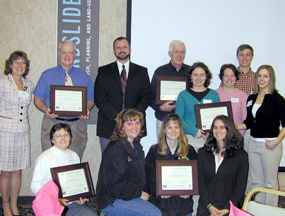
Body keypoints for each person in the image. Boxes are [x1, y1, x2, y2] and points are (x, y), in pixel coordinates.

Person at [33, 40, 94, 159]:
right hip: (52, 123)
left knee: (73, 163)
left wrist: (86, 109)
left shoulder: (84, 77)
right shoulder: (47, 75)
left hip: (76, 126)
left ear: (75, 54)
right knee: (51, 163)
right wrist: (46, 109)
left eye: (70, 53)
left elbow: (90, 100)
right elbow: (37, 99)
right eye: (64, 52)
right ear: (59, 53)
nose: (67, 56)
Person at [96, 109, 162, 216]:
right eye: (129, 123)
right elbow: (115, 183)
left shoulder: (136, 146)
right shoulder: (116, 148)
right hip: (112, 199)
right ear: (121, 126)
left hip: (129, 195)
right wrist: (139, 194)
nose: (134, 127)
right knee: (154, 214)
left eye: (137, 123)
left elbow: (140, 178)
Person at [236, 65, 285, 206]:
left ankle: (270, 212)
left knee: (270, 183)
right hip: (253, 144)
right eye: (259, 76)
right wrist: (233, 126)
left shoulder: (277, 99)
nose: (262, 79)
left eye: (265, 76)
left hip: (270, 145)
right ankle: (257, 211)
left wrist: (276, 142)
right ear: (256, 78)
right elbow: (249, 122)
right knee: (256, 182)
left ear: (271, 78)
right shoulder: (252, 97)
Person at [94, 37, 151, 153]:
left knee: (132, 162)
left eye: (124, 47)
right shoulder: (103, 71)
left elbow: (146, 96)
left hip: (134, 126)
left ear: (129, 49)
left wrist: (131, 118)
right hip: (109, 125)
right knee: (108, 162)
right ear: (114, 51)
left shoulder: (141, 71)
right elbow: (99, 98)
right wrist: (118, 117)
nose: (121, 50)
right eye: (118, 47)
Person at [30, 123, 98, 216]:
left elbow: (76, 182)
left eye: (66, 135)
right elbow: (35, 185)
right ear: (52, 140)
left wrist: (79, 197)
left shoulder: (74, 155)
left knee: (92, 215)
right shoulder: (45, 157)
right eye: (58, 136)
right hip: (51, 205)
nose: (63, 138)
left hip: (71, 204)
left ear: (70, 138)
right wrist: (55, 199)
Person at [0, 51, 34, 216]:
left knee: (18, 171)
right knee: (6, 171)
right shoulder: (2, 83)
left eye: (23, 63)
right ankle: (5, 204)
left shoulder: (29, 84)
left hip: (22, 131)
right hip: (5, 131)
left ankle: (14, 204)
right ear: (10, 65)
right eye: (16, 62)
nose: (20, 66)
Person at [145, 113, 197, 216]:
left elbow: (197, 175)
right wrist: (159, 191)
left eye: (176, 127)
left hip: (183, 206)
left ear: (180, 129)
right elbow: (148, 176)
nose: (173, 131)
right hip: (160, 205)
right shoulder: (154, 151)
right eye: (170, 127)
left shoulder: (189, 151)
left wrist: (189, 192)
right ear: (164, 129)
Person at [198, 115, 248, 216]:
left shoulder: (241, 156)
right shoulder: (203, 153)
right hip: (206, 207)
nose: (217, 130)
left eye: (222, 127)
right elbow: (201, 183)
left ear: (229, 129)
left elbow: (240, 188)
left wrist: (227, 208)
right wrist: (210, 207)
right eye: (215, 127)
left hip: (229, 208)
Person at [175, 62, 220, 152]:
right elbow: (178, 119)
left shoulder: (213, 95)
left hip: (209, 140)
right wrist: (193, 131)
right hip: (189, 139)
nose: (198, 78)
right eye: (195, 75)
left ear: (206, 76)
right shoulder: (183, 95)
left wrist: (210, 132)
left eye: (202, 75)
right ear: (190, 77)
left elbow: (219, 118)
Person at [150, 40, 190, 138]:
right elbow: (150, 95)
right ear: (169, 53)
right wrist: (159, 107)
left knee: (184, 151)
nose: (180, 55)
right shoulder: (160, 71)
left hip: (185, 121)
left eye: (182, 52)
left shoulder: (191, 72)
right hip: (164, 119)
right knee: (163, 151)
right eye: (176, 51)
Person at [216, 64, 247, 136]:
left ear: (236, 77)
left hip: (236, 136)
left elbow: (245, 121)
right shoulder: (214, 94)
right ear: (222, 78)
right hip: (217, 137)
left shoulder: (243, 96)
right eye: (226, 76)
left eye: (232, 75)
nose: (229, 78)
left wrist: (236, 135)